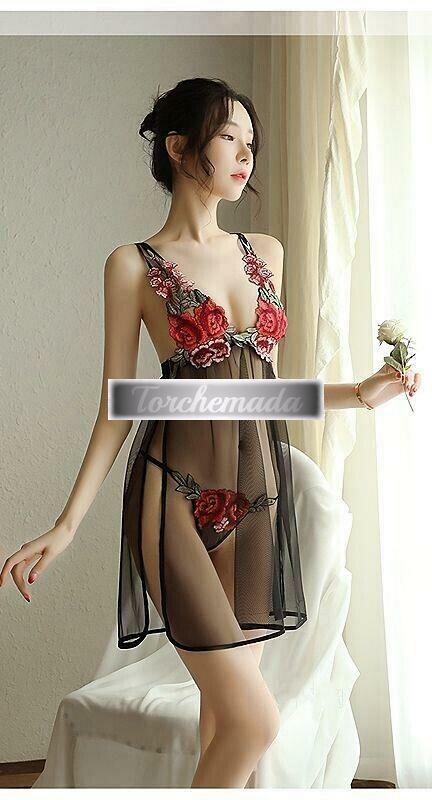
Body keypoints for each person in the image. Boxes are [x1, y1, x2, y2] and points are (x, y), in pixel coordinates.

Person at [0, 77, 421, 789]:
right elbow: (118, 405)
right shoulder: (132, 265)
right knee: (256, 723)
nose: (246, 155)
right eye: (230, 137)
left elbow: (264, 391)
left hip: (258, 497)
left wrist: (361, 393)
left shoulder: (267, 253)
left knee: (225, 722)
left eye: (251, 142)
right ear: (178, 146)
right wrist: (66, 526)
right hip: (173, 495)